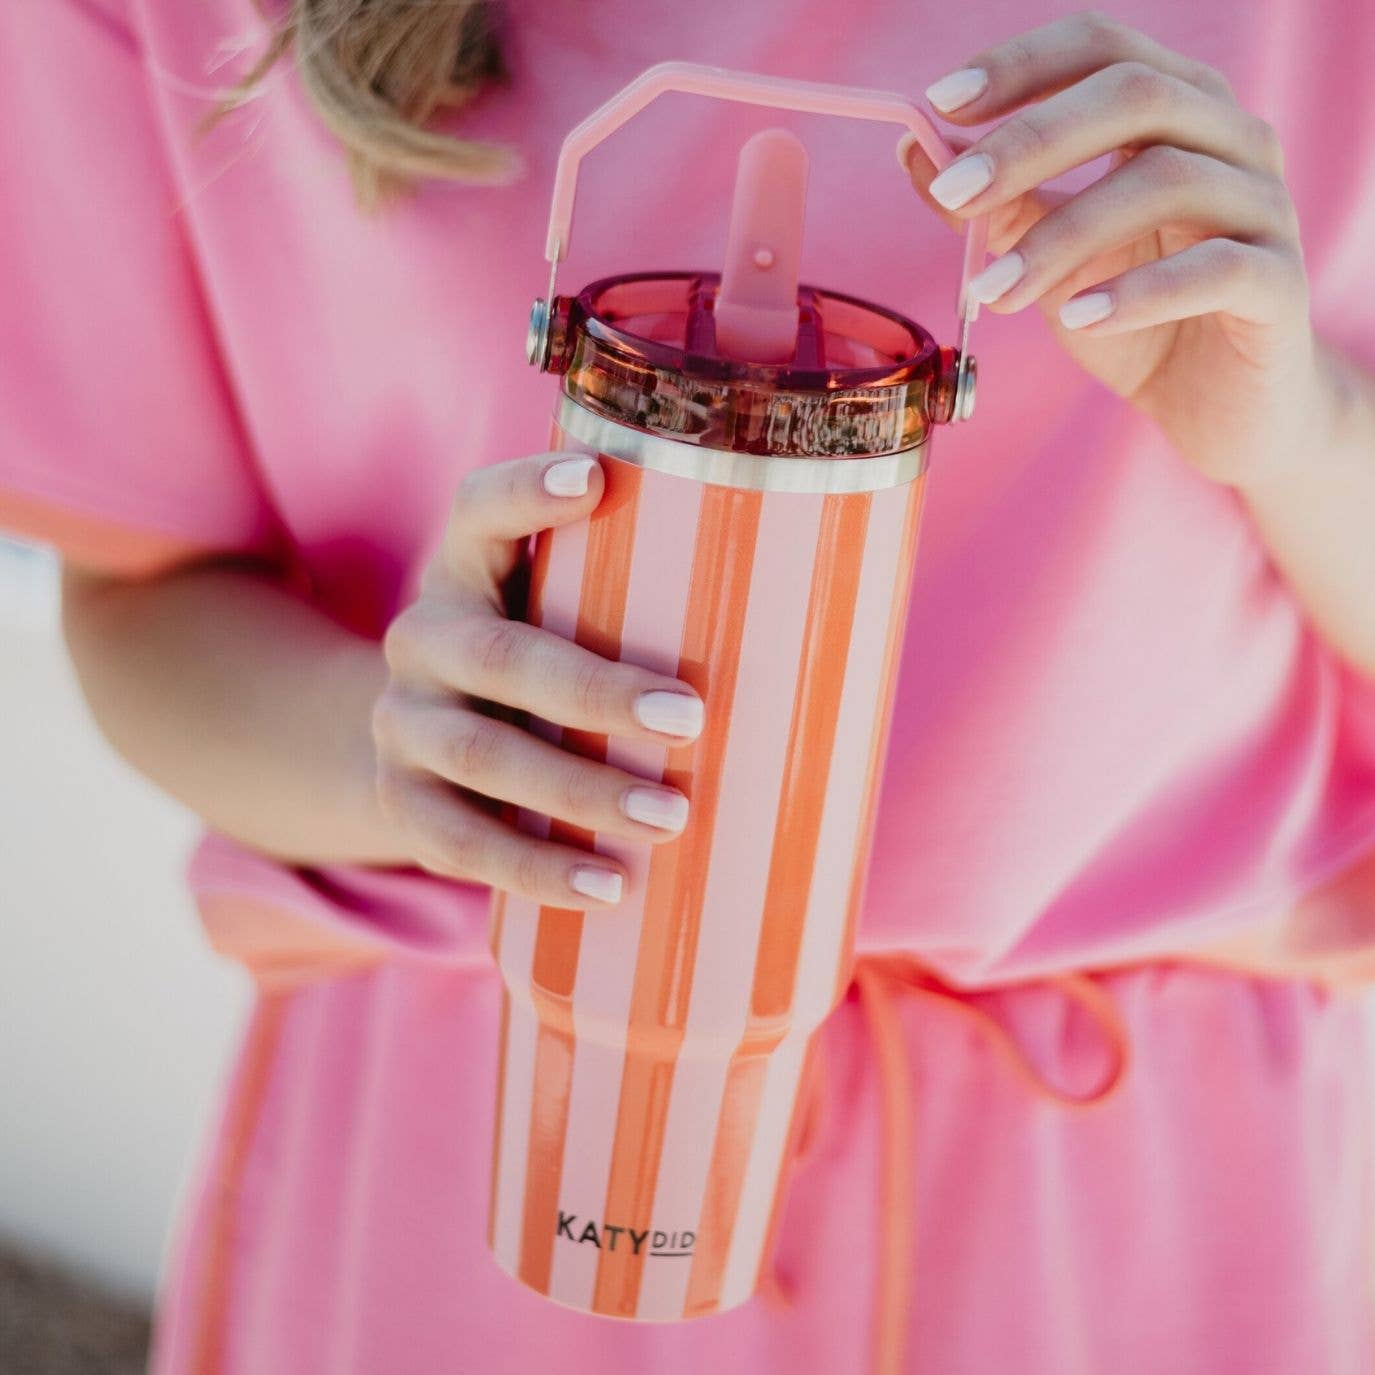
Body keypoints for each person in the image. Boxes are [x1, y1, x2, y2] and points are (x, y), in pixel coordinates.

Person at [3, 2, 1374, 1371]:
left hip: (1137, 1206)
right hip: (475, 1126)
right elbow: (142, 594)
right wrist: (400, 755)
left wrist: (1304, 428)